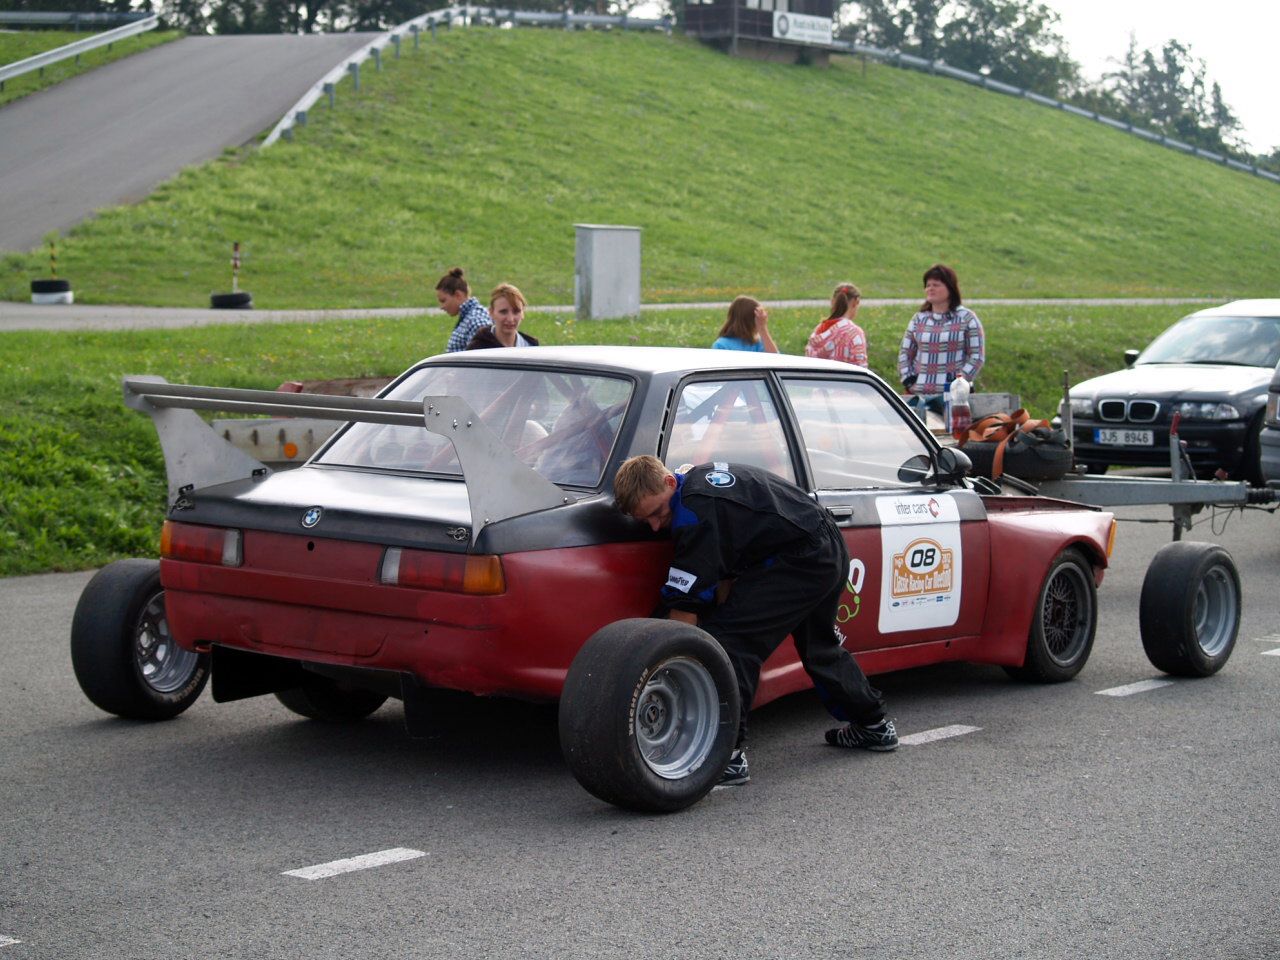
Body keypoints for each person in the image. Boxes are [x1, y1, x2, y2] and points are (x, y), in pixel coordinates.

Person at [613, 455, 897, 786]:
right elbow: (722, 566)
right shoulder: (694, 482)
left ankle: (725, 756)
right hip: (824, 544)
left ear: (669, 483)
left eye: (657, 513)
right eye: (645, 520)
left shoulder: (694, 511)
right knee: (819, 646)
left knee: (730, 644)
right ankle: (874, 725)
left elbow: (686, 604)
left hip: (801, 557)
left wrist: (674, 665)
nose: (655, 526)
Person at [897, 263, 984, 422]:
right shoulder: (918, 319)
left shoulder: (967, 318)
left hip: (956, 400)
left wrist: (958, 383)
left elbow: (977, 356)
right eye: (928, 285)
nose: (930, 289)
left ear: (950, 288)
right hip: (920, 399)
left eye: (936, 285)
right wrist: (909, 381)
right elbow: (905, 353)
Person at [805, 282, 868, 366]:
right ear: (855, 302)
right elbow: (860, 367)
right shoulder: (854, 333)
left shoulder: (819, 330)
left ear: (832, 301)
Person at [466, 283, 541, 349]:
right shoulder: (477, 349)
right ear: (491, 312)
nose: (510, 319)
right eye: (503, 312)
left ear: (523, 313)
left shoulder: (530, 347)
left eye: (516, 312)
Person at [438, 268, 493, 353]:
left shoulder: (476, 320)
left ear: (458, 295)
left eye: (443, 301)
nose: (442, 307)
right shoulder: (469, 317)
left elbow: (481, 356)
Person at [711, 296, 778, 353]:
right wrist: (761, 327)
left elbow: (776, 359)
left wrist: (762, 329)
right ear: (749, 321)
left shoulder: (758, 343)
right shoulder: (722, 345)